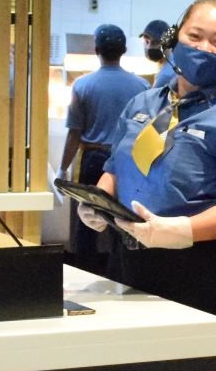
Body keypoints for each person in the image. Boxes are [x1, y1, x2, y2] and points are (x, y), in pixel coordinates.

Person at [79, 0, 216, 328]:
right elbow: (115, 167)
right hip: (127, 259)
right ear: (174, 38)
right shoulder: (142, 102)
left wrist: (180, 230)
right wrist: (99, 200)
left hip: (197, 270)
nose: (203, 47)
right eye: (194, 36)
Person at [60, 23, 149, 274]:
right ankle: (121, 274)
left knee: (87, 219)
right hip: (129, 161)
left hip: (92, 157)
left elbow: (74, 133)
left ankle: (83, 274)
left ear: (96, 49)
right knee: (123, 220)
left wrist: (62, 167)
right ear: (124, 49)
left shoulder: (82, 85)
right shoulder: (141, 86)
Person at [138, 18, 173, 87]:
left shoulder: (165, 75)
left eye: (155, 42)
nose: (149, 47)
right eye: (147, 42)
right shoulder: (170, 63)